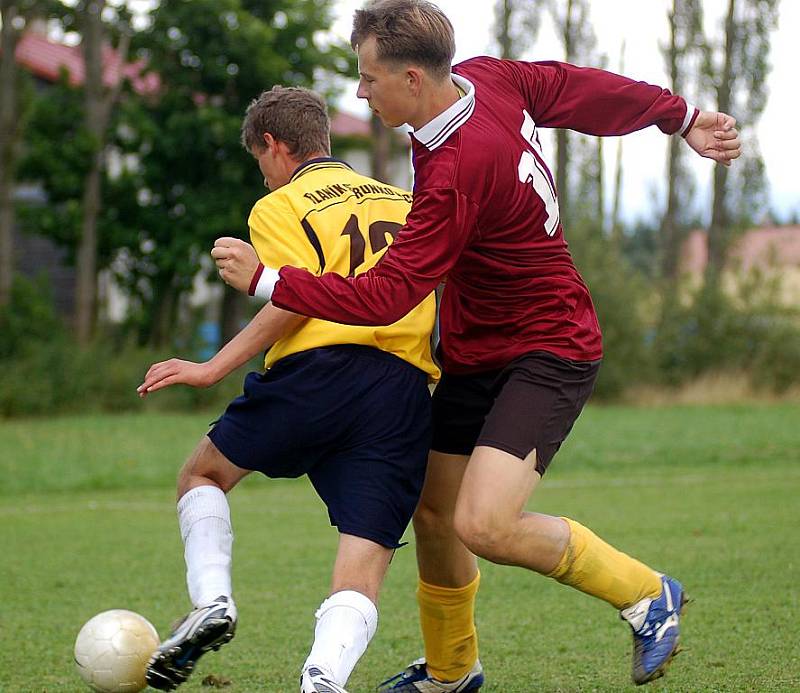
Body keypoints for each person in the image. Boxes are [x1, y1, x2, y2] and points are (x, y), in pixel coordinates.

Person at [216, 2, 742, 690]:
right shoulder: (484, 79)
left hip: (547, 346)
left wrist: (270, 280)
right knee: (434, 509)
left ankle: (648, 595)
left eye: (368, 79)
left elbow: (387, 295)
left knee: (485, 523)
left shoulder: (458, 168)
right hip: (478, 349)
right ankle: (452, 670)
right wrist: (676, 115)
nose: (359, 93)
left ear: (410, 78)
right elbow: (573, 86)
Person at [136, 85, 439, 693]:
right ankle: (322, 679)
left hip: (318, 373)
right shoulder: (407, 201)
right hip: (403, 390)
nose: (264, 175)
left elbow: (292, 300)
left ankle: (212, 602)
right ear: (323, 139)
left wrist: (210, 368)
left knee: (202, 475)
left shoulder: (279, 207)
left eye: (259, 161)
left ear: (272, 146)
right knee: (366, 555)